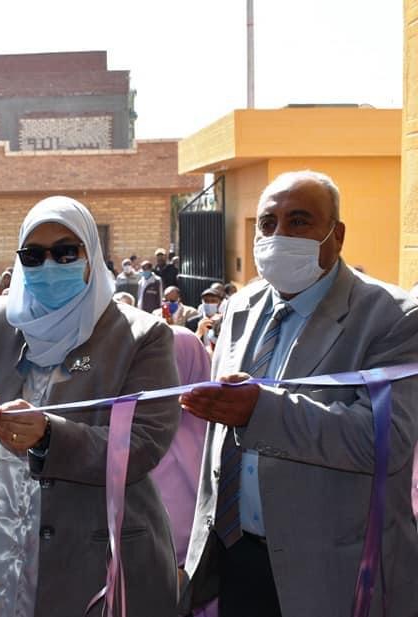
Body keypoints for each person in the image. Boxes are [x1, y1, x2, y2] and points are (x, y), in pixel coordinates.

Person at [0, 196, 180, 616]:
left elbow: (144, 442)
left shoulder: (140, 336)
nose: (48, 266)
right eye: (33, 255)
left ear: (91, 256)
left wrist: (50, 436)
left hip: (88, 561)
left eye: (65, 252)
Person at [180, 171, 418, 616]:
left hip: (334, 573)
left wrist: (260, 411)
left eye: (299, 221)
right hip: (238, 556)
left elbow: (384, 440)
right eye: (268, 223)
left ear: (337, 235)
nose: (279, 235)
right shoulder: (241, 306)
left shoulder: (393, 318)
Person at [149, 327, 210, 568]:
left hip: (205, 569)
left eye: (168, 366)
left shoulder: (222, 433)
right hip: (148, 568)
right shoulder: (138, 435)